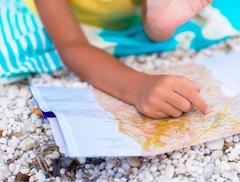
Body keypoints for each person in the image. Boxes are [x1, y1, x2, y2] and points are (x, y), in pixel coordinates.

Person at [29, 0, 211, 118]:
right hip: (60, 17)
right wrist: (138, 87)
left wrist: (158, 25)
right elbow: (71, 46)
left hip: (128, 14)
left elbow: (154, 12)